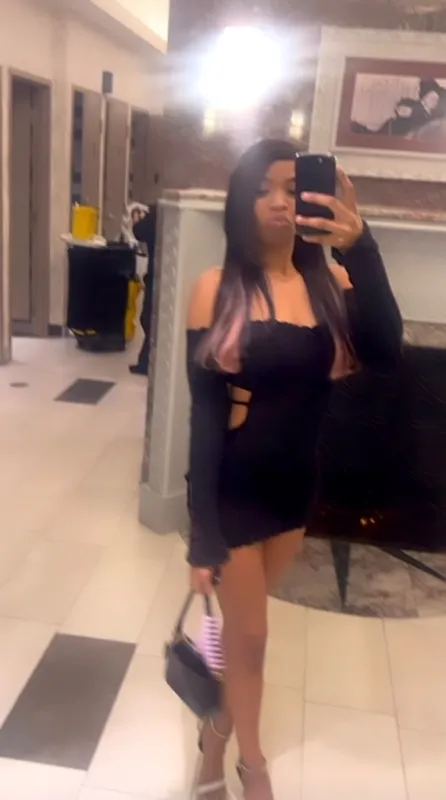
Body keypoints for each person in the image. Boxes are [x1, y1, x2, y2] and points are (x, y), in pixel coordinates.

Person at [186, 139, 402, 800]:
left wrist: (360, 247)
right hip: (235, 487)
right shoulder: (216, 288)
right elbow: (204, 416)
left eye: (292, 188)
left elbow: (387, 350)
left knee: (245, 637)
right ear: (242, 202)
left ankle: (216, 730)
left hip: (294, 487)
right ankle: (250, 767)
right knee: (252, 637)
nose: (279, 202)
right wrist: (201, 536)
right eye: (263, 190)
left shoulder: (332, 286)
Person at [129, 203, 158, 375]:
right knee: (150, 319)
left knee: (148, 318)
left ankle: (146, 363)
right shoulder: (164, 216)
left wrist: (137, 218)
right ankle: (147, 362)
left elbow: (138, 231)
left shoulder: (155, 215)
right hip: (162, 275)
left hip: (156, 276)